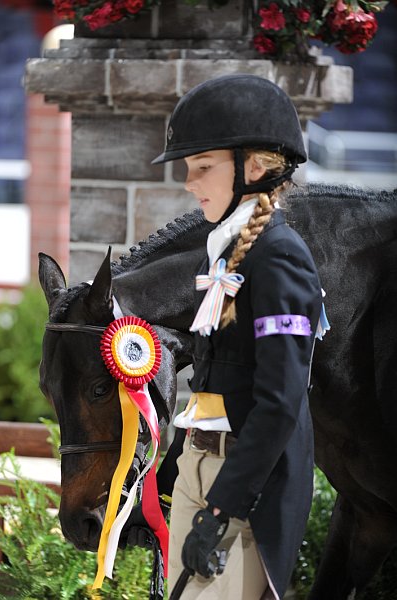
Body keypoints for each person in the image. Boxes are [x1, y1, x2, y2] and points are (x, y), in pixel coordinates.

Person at [124, 74, 323, 600]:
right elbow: (213, 379)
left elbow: (280, 402)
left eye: (202, 168)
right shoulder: (222, 251)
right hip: (200, 465)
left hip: (242, 486)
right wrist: (172, 473)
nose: (189, 183)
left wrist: (222, 508)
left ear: (254, 167)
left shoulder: (279, 256)